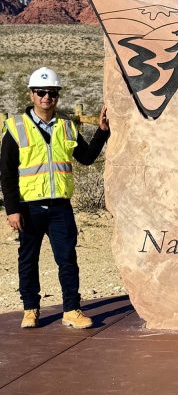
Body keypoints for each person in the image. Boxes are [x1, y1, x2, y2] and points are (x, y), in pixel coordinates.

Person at [1, 66, 110, 330]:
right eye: (41, 92)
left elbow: (85, 158)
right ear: (31, 95)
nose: (46, 97)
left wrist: (102, 132)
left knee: (67, 259)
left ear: (57, 95)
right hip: (28, 207)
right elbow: (5, 172)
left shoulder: (67, 125)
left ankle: (71, 309)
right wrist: (12, 210)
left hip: (60, 206)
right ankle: (30, 309)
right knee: (28, 259)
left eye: (52, 92)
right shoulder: (16, 127)